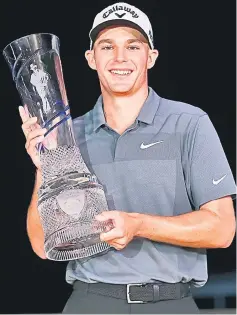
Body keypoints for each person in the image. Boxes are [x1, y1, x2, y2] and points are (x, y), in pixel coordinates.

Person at [19, 2, 236, 314]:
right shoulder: (68, 136)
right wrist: (46, 169)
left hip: (170, 303)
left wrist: (138, 224)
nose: (120, 58)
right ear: (91, 59)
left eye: (133, 46)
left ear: (151, 57)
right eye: (107, 46)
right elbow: (43, 246)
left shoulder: (189, 123)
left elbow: (222, 229)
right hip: (91, 303)